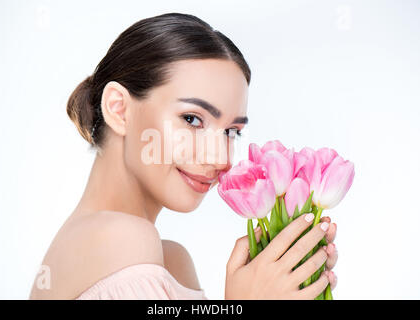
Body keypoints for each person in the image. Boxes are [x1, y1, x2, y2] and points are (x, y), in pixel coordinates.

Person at [29, 12, 338, 300]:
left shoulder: (170, 260)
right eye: (192, 119)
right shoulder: (122, 240)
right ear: (119, 109)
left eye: (231, 132)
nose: (220, 158)